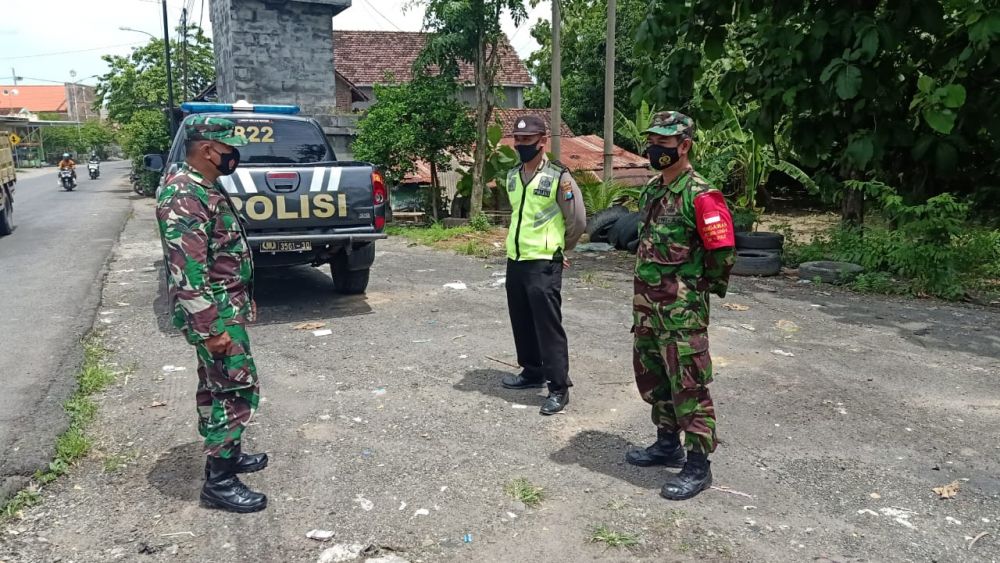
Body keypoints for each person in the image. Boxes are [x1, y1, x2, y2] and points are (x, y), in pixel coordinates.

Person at [155, 116, 268, 513]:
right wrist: (211, 329)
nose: (234, 155)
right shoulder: (184, 194)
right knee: (236, 389)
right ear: (207, 149)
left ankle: (227, 455)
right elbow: (187, 270)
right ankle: (219, 482)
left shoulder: (202, 185)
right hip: (213, 313)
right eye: (228, 148)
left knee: (216, 384)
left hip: (223, 307)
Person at [626, 111, 736, 500]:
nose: (654, 148)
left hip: (681, 313)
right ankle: (666, 443)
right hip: (647, 309)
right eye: (652, 141)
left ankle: (698, 466)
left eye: (663, 142)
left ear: (684, 145)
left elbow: (722, 252)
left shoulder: (701, 195)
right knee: (654, 379)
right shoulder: (652, 191)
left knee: (688, 386)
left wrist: (698, 287)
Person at [500, 115, 586, 415]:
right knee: (521, 320)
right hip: (516, 259)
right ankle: (532, 371)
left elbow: (577, 220)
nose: (521, 144)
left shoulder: (559, 177)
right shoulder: (512, 176)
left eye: (527, 139)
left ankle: (558, 387)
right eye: (518, 139)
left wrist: (561, 248)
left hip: (544, 261)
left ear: (542, 141)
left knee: (548, 326)